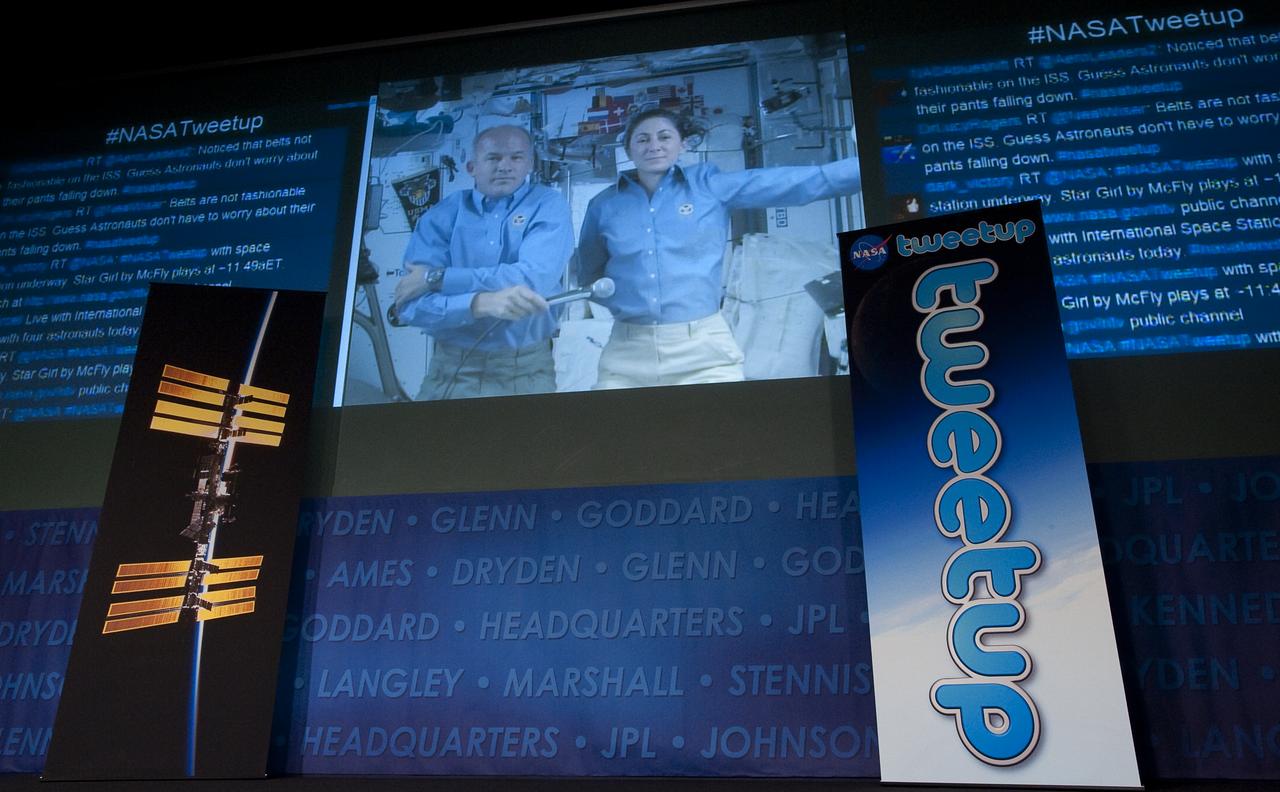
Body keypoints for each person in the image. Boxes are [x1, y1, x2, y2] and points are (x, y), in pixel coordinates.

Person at [576, 108, 861, 389]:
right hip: (627, 351)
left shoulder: (709, 186)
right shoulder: (604, 205)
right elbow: (590, 277)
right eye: (642, 139)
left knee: (723, 429)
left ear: (682, 144)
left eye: (664, 137)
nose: (654, 146)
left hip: (703, 347)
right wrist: (629, 308)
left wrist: (874, 162)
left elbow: (793, 183)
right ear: (628, 148)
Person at [391, 125, 573, 399]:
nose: (505, 166)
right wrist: (478, 304)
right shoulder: (442, 216)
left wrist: (439, 278)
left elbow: (533, 279)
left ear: (530, 164)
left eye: (516, 157)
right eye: (493, 158)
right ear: (472, 167)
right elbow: (410, 306)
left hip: (525, 371)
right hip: (449, 371)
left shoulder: (547, 205)